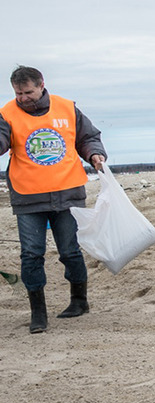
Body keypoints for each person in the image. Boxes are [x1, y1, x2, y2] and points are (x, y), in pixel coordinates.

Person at [2, 66, 107, 334]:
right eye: (18, 94)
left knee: (71, 251)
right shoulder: (6, 114)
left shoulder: (66, 108)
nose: (23, 98)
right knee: (31, 254)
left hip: (68, 192)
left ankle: (79, 301)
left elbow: (88, 137)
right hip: (28, 197)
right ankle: (38, 313)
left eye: (28, 92)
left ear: (41, 85)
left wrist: (95, 154)